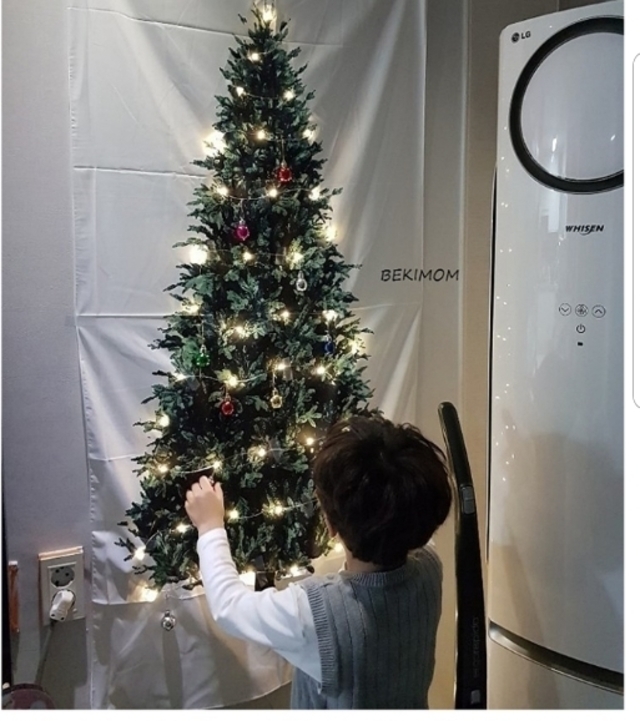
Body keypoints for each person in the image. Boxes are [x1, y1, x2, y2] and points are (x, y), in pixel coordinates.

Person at [185, 414, 453, 709]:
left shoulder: (315, 616)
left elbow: (229, 606)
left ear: (330, 525)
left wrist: (210, 526)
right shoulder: (430, 567)